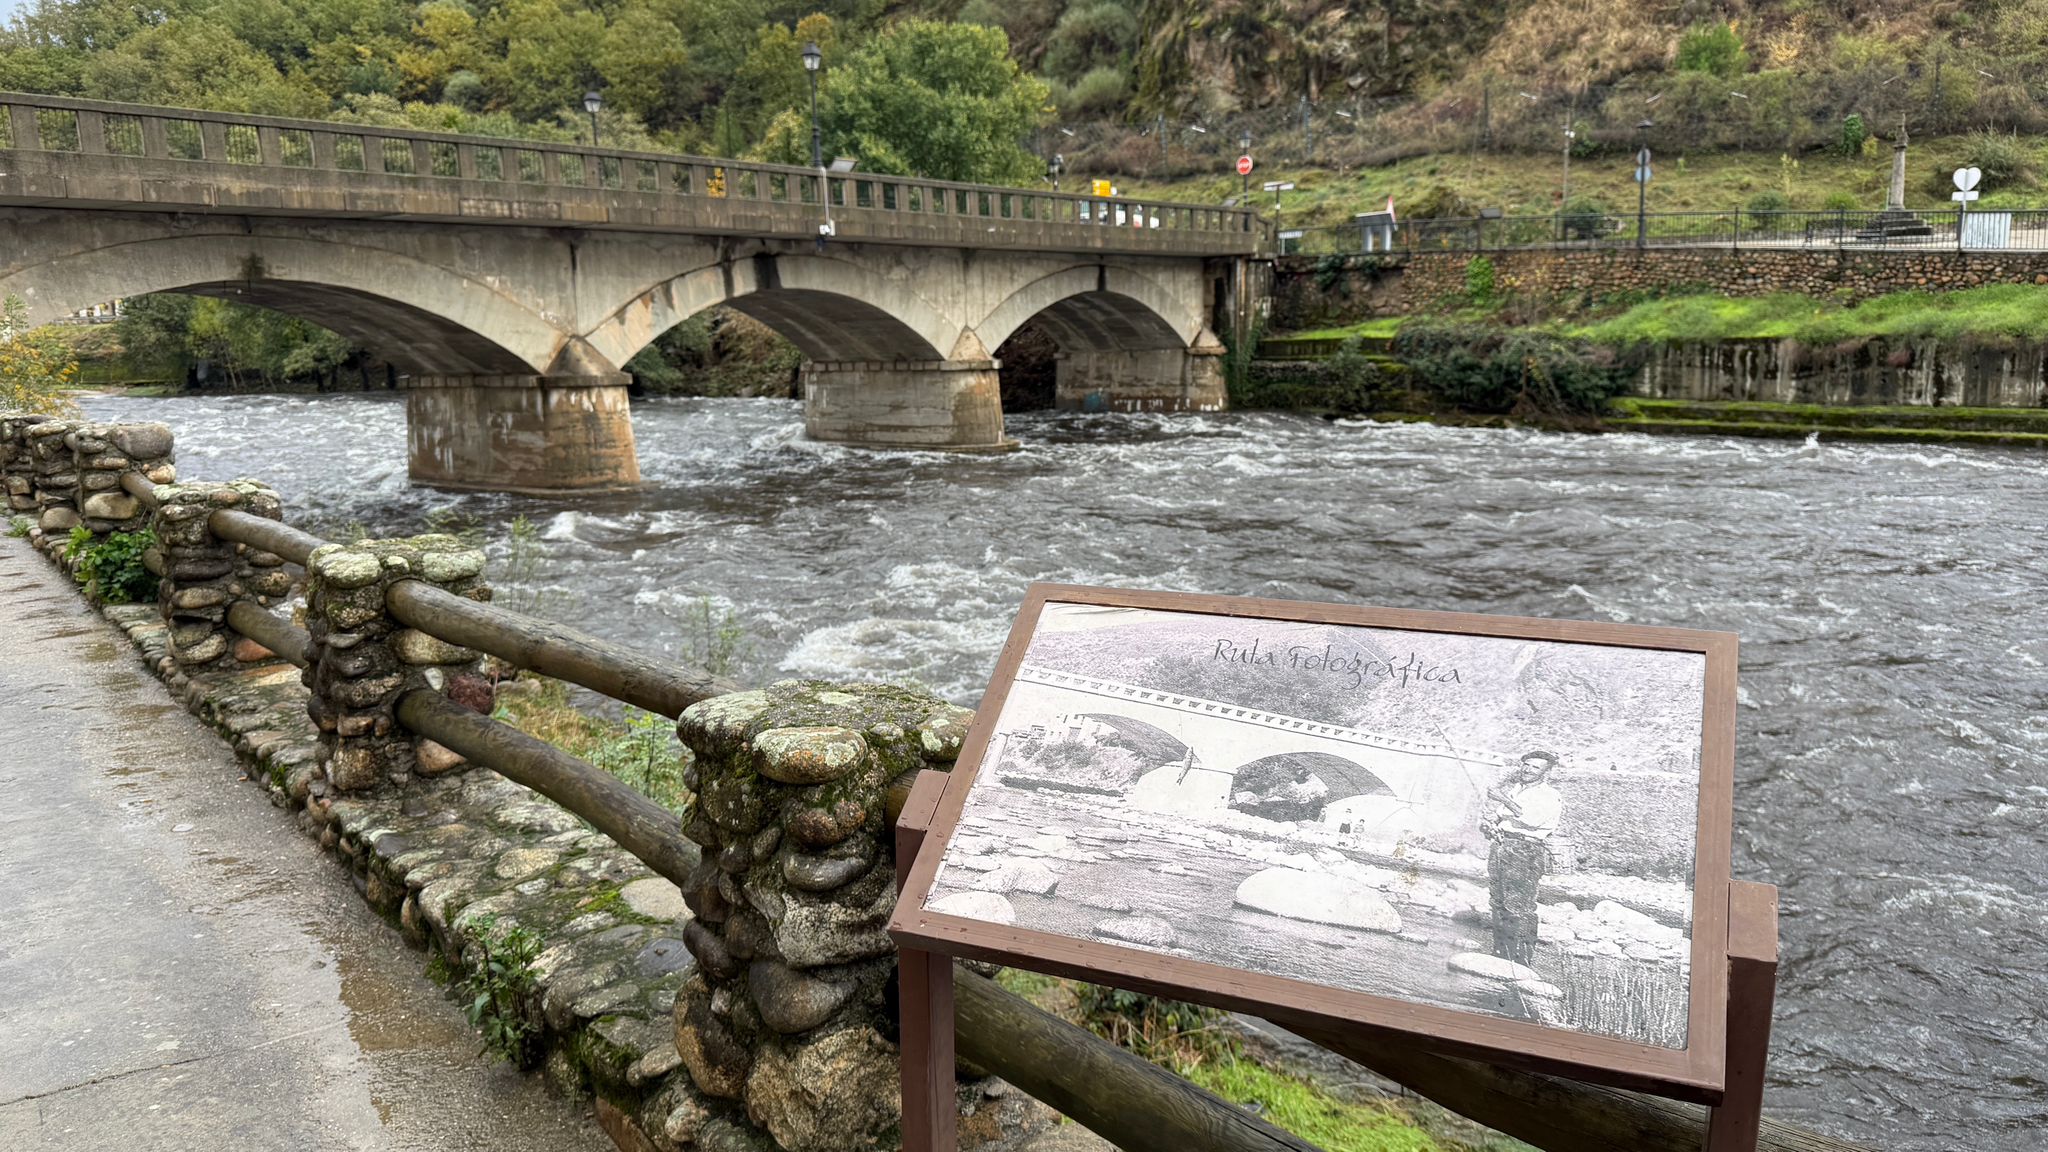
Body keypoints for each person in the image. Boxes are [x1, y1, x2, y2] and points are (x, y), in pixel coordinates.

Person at [1483, 750, 1563, 966]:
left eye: (1535, 767)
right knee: (1497, 901)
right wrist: (1491, 826)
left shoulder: (1549, 795)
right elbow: (1503, 817)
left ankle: (1520, 960)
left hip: (1525, 851)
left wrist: (1501, 798)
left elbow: (1531, 819)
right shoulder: (1517, 790)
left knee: (1518, 905)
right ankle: (1500, 953)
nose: (1528, 770)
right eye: (1526, 765)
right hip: (1502, 846)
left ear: (1546, 772)